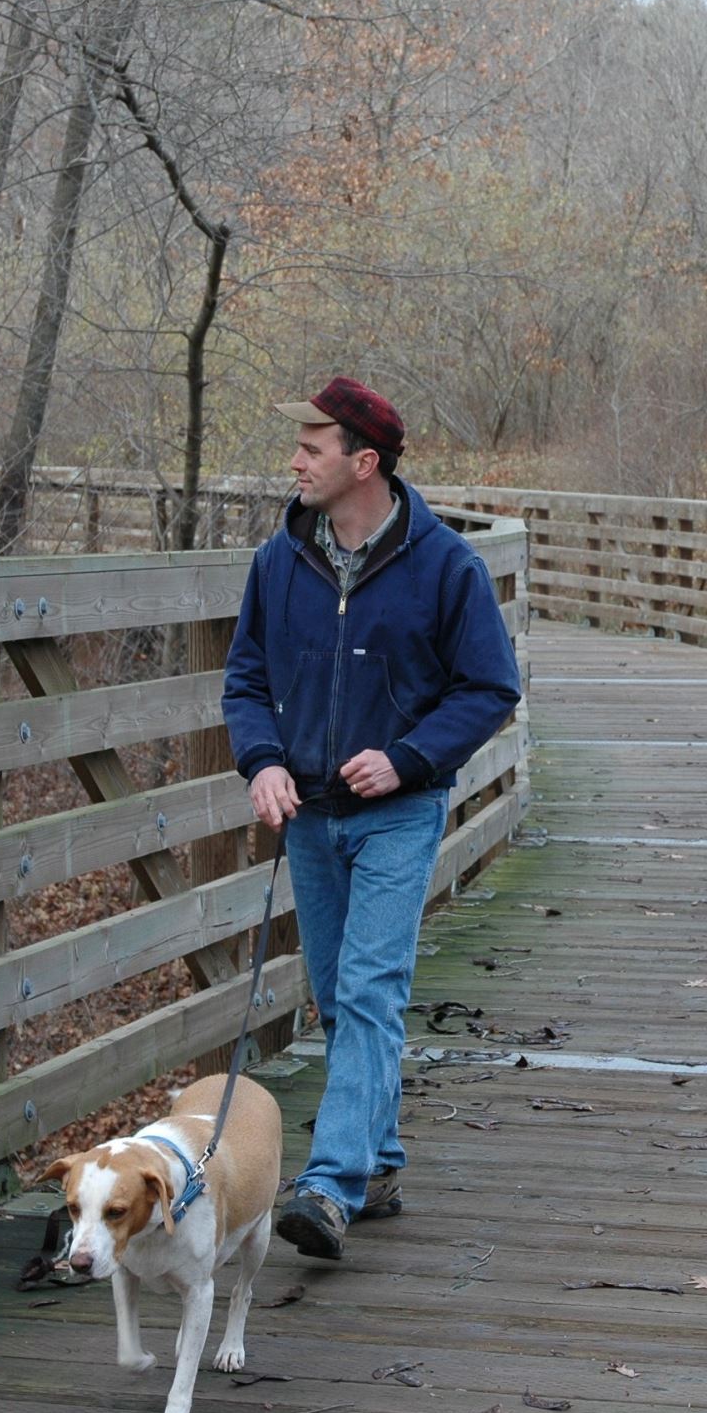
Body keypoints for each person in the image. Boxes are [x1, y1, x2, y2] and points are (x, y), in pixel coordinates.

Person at [221, 375, 522, 1260]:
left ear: (365, 462)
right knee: (336, 996)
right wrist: (264, 759)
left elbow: (490, 688)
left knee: (369, 987)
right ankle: (380, 1159)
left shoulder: (446, 567)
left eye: (311, 448)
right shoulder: (281, 560)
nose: (294, 462)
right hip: (309, 816)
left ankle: (330, 1183)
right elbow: (245, 680)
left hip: (399, 813)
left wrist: (408, 756)